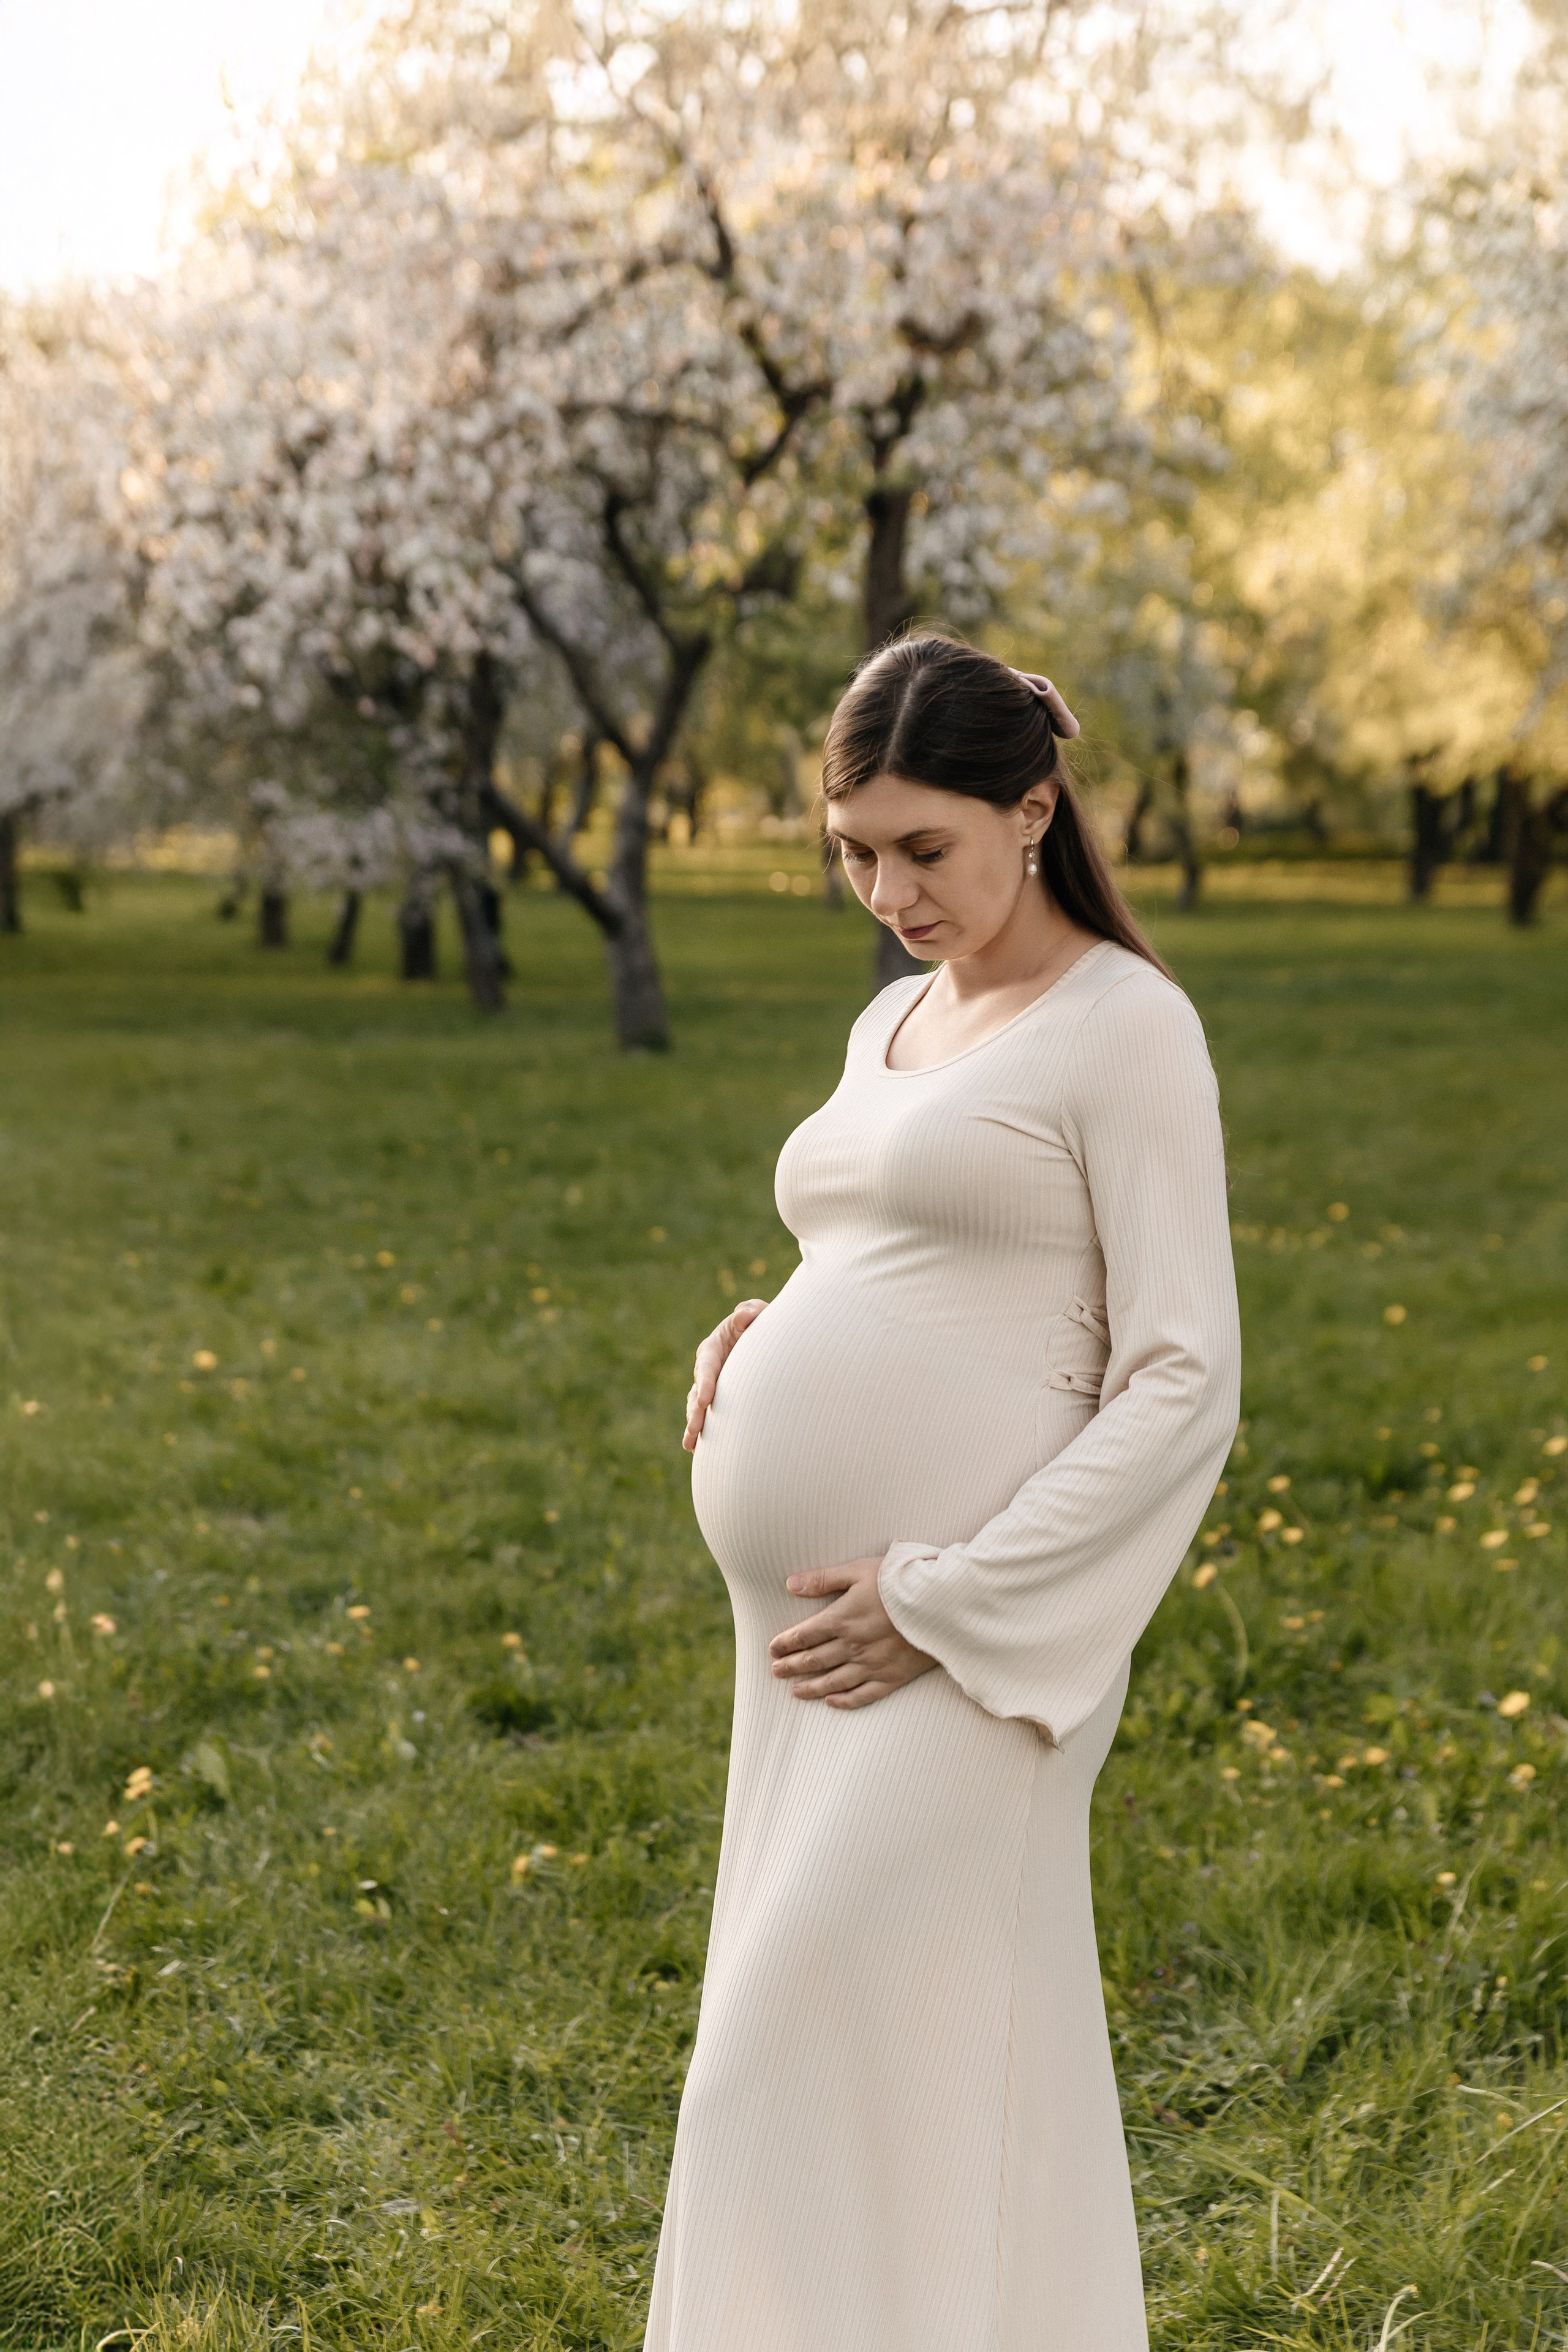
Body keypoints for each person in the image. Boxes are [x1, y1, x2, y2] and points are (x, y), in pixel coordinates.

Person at [646, 633, 1241, 2352]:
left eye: (925, 848)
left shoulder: (1128, 1029)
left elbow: (1184, 1374)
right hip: (813, 1643)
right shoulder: (895, 1014)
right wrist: (770, 1323)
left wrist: (947, 1597)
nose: (887, 890)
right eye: (855, 851)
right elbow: (893, 1225)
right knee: (886, 2075)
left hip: (962, 1644)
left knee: (781, 2055)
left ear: (1033, 810)